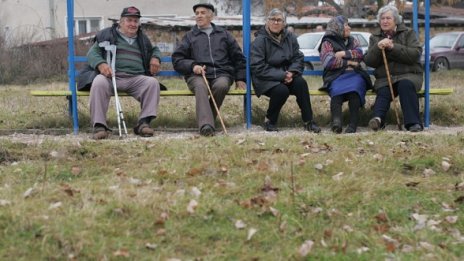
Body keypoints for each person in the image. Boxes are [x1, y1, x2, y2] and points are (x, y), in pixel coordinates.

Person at [86, 6, 162, 139]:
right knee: (98, 82)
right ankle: (99, 126)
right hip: (112, 76)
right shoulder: (108, 35)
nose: (133, 24)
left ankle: (143, 124)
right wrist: (101, 64)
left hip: (136, 78)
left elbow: (154, 49)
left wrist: (156, 57)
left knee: (152, 83)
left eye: (136, 21)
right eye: (129, 20)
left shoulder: (142, 39)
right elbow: (93, 53)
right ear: (121, 22)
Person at [172, 3, 246, 136]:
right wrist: (193, 66)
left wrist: (240, 78)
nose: (199, 16)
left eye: (203, 13)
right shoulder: (190, 36)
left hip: (222, 73)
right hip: (197, 75)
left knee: (222, 85)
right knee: (201, 87)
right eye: (197, 13)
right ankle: (206, 125)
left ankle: (207, 120)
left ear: (211, 16)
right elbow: (177, 59)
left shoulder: (224, 34)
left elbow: (238, 58)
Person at [250, 8, 320, 133]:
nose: (276, 23)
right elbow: (257, 67)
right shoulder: (260, 40)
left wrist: (292, 73)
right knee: (281, 90)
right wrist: (282, 75)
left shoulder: (290, 37)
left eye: (279, 20)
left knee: (301, 83)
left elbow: (298, 57)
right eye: (273, 20)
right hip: (266, 78)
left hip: (288, 75)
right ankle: (270, 120)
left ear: (284, 23)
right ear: (267, 22)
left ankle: (309, 121)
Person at [364, 5, 424, 132]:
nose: (385, 21)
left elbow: (414, 55)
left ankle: (413, 123)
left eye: (388, 18)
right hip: (386, 78)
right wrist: (377, 48)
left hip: (409, 75)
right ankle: (378, 120)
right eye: (382, 18)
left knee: (405, 86)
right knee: (383, 91)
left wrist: (393, 47)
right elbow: (370, 61)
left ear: (396, 20)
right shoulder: (375, 37)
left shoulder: (409, 33)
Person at [319, 16, 372, 133]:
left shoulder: (353, 40)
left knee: (355, 91)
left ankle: (353, 125)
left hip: (355, 74)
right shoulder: (327, 42)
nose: (349, 28)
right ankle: (336, 122)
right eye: (346, 25)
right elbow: (329, 62)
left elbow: (359, 54)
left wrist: (343, 53)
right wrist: (349, 62)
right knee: (336, 93)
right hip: (336, 76)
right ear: (337, 28)